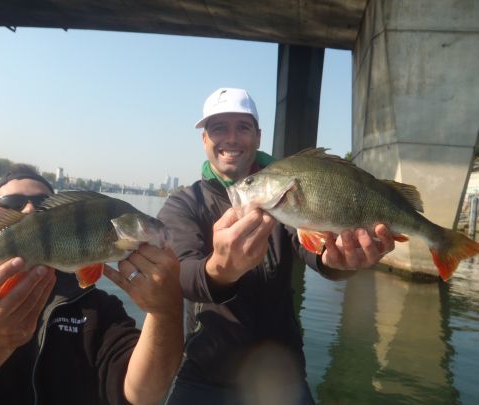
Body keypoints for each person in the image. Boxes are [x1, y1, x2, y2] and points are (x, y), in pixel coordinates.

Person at [158, 88, 395, 404]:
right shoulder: (184, 204)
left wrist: (337, 263)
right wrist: (219, 270)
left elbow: (314, 251)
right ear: (204, 140)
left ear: (257, 137)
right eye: (218, 128)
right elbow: (181, 274)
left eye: (242, 127)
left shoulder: (284, 195)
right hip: (205, 374)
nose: (231, 138)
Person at [0, 165, 183, 405]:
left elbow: (143, 395)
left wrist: (166, 313)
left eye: (43, 203)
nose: (30, 209)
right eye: (11, 204)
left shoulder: (94, 307)